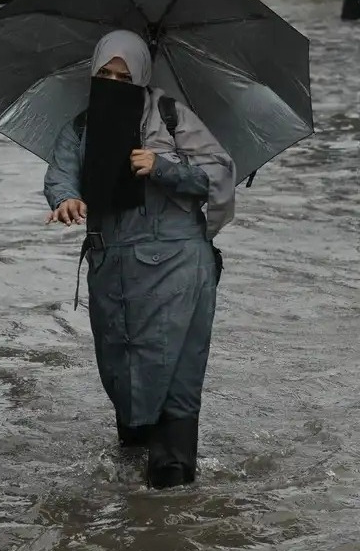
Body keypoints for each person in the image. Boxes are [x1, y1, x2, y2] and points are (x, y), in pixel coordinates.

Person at [43, 30, 235, 489]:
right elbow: (61, 174)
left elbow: (219, 172)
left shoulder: (172, 117)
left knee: (176, 373)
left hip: (178, 267)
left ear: (144, 77)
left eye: (124, 76)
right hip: (113, 271)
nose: (113, 82)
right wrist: (66, 199)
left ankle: (172, 485)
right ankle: (131, 495)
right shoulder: (83, 126)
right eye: (104, 74)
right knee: (122, 368)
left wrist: (163, 166)